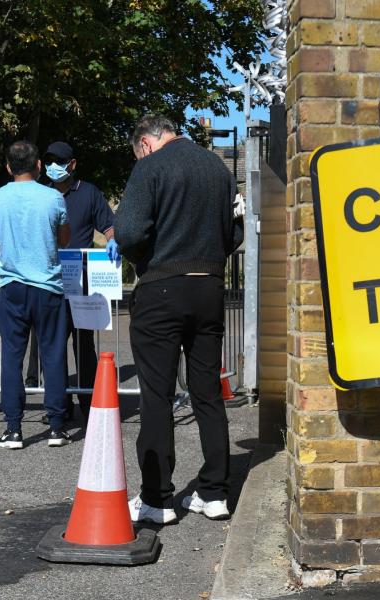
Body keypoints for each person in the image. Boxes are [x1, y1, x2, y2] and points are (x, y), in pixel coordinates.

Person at [115, 114, 243, 524]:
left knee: (157, 395)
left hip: (161, 288)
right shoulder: (217, 169)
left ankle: (157, 498)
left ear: (146, 143)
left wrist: (141, 260)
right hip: (209, 286)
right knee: (207, 390)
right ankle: (214, 493)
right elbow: (233, 235)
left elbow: (129, 232)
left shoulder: (149, 167)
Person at [0, 140, 73, 449]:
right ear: (39, 166)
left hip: (12, 287)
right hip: (48, 287)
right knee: (53, 355)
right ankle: (57, 427)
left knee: (12, 356)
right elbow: (65, 240)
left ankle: (14, 428)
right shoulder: (53, 198)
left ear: (8, 167)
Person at [29, 141, 119, 425]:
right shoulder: (40, 195)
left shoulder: (89, 193)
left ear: (73, 164)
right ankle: (59, 406)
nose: (55, 166)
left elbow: (108, 224)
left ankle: (90, 402)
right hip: (48, 279)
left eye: (61, 161)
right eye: (50, 161)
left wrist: (113, 239)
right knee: (52, 346)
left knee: (84, 345)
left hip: (82, 283)